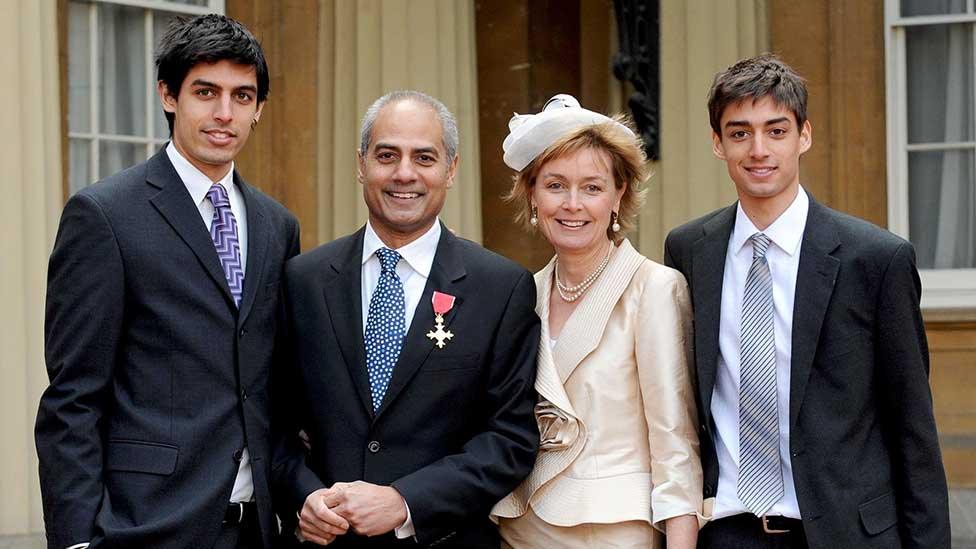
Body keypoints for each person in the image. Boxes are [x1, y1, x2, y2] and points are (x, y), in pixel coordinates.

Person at [664, 54, 950, 547]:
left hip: (845, 533)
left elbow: (913, 428)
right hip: (727, 531)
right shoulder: (689, 250)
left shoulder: (876, 259)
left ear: (804, 136)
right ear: (718, 143)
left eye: (776, 131)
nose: (758, 150)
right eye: (739, 133)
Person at [35, 15, 299, 549]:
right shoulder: (104, 215)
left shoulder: (277, 225)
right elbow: (73, 399)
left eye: (242, 96)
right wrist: (75, 539)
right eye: (206, 92)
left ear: (259, 108)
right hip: (144, 527)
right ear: (168, 95)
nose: (225, 113)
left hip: (257, 529)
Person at [271, 90, 540, 548]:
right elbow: (272, 422)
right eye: (387, 155)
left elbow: (510, 438)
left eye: (425, 157)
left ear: (451, 170)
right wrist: (303, 498)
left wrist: (405, 501)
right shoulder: (304, 279)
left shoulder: (500, 288)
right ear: (361, 164)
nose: (404, 174)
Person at [490, 94, 703, 549]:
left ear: (618, 194)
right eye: (555, 185)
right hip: (520, 531)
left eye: (591, 187)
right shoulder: (520, 294)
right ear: (531, 193)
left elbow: (676, 448)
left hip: (613, 534)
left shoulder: (654, 289)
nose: (573, 204)